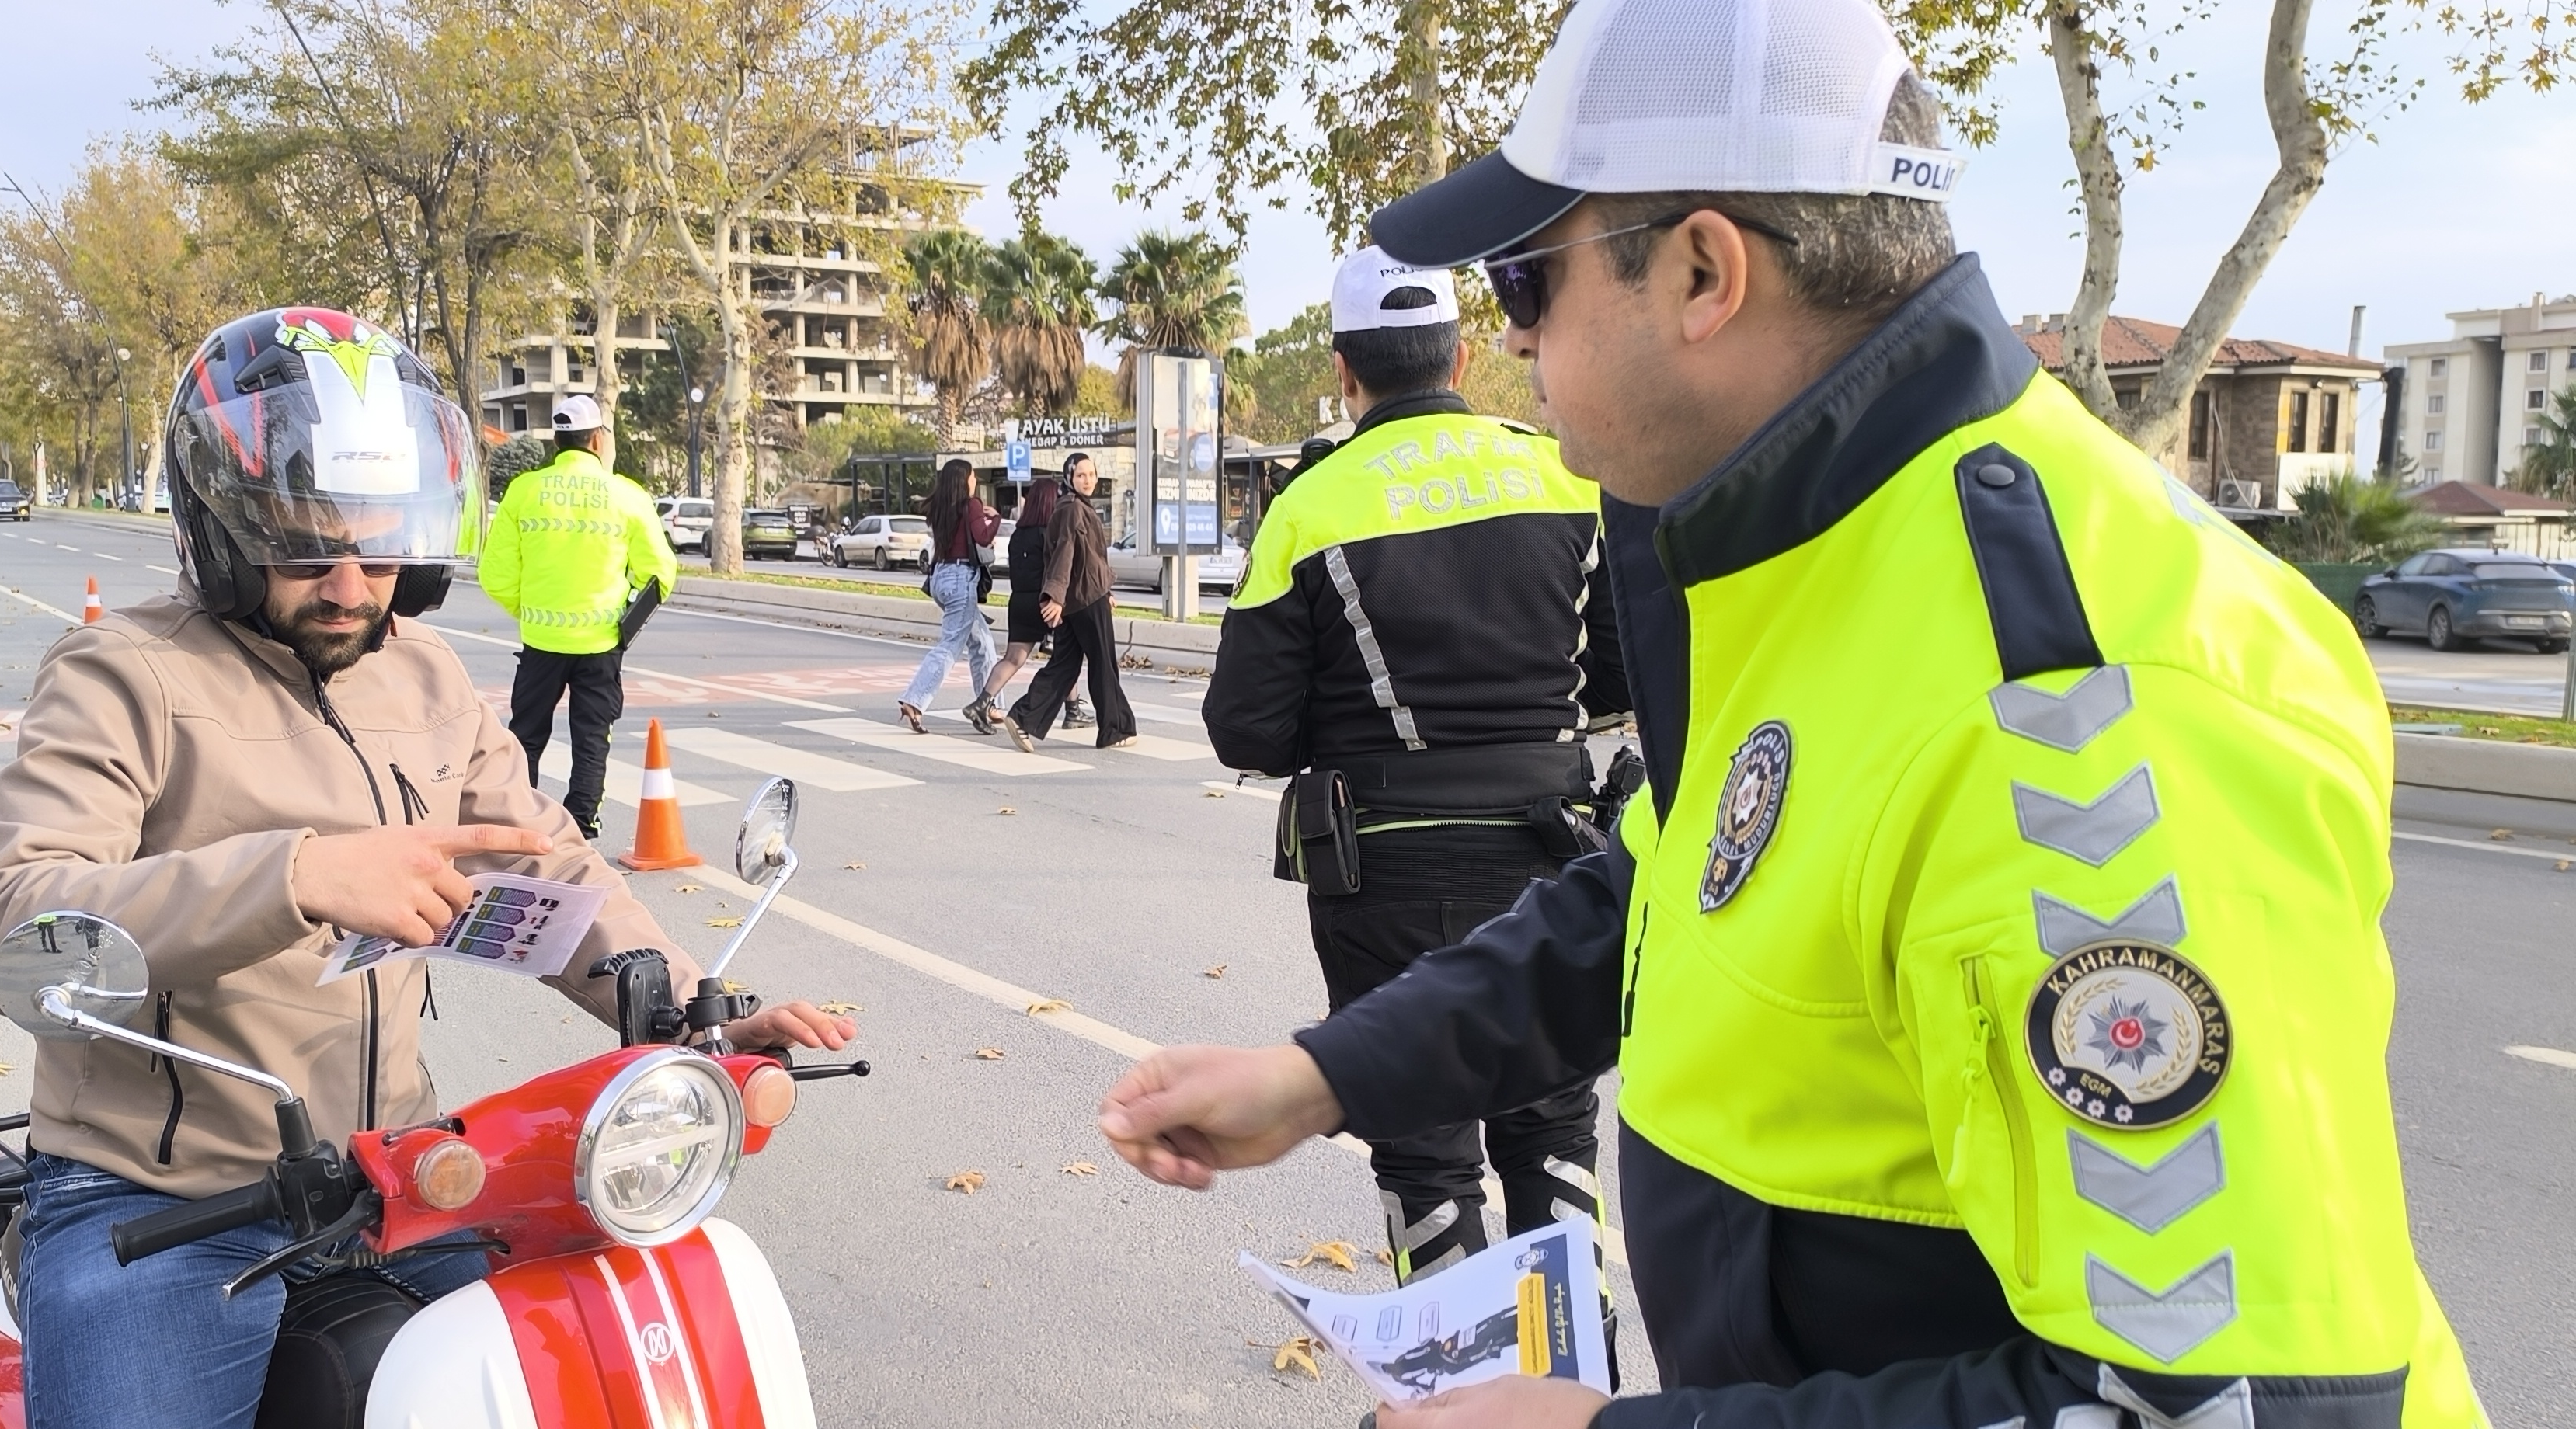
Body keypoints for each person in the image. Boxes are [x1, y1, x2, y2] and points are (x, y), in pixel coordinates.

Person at [1095, 2, 2487, 1426]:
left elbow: (2234, 1406)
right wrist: (1326, 1076)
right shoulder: (1799, 552)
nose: (1507, 344)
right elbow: (1660, 896)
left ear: (1704, 270)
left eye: (1524, 280)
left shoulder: (2079, 708)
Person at [0, 308, 854, 1429]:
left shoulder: (422, 673)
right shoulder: (122, 674)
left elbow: (552, 867)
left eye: (381, 547)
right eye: (307, 545)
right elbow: (8, 921)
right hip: (156, 1198)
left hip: (392, 1178)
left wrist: (683, 1012)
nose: (349, 585)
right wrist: (300, 876)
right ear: (220, 525)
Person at [1202, 245, 1627, 1285]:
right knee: (1556, 1135)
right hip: (1560, 858)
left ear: (1345, 371)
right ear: (1463, 352)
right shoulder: (1561, 468)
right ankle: (1573, 1376)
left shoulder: (1314, 502)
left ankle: (1457, 1388)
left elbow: (1246, 728)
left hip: (1388, 872)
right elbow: (1624, 672)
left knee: (1425, 1150)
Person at [477, 394, 677, 839]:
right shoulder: (626, 494)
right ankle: (581, 824)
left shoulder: (524, 491)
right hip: (602, 641)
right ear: (596, 439)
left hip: (542, 641)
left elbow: (493, 574)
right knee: (591, 739)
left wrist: (530, 608)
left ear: (557, 440)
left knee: (526, 735)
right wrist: (623, 619)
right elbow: (660, 574)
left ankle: (520, 824)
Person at [997, 452, 1137, 750]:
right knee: (1103, 664)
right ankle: (1115, 729)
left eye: (1091, 474)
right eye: (1080, 475)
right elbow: (1065, 554)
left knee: (1064, 665)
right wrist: (1055, 596)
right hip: (1085, 600)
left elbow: (1089, 559)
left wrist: (1104, 591)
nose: (1088, 480)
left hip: (1082, 598)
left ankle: (1023, 717)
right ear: (1069, 479)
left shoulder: (1073, 507)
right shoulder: (1074, 509)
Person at [899, 457, 1002, 734]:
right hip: (961, 579)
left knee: (982, 642)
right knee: (950, 646)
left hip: (940, 578)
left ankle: (988, 704)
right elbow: (982, 537)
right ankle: (915, 700)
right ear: (963, 480)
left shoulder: (939, 507)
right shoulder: (972, 505)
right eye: (972, 477)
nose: (976, 481)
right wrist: (997, 519)